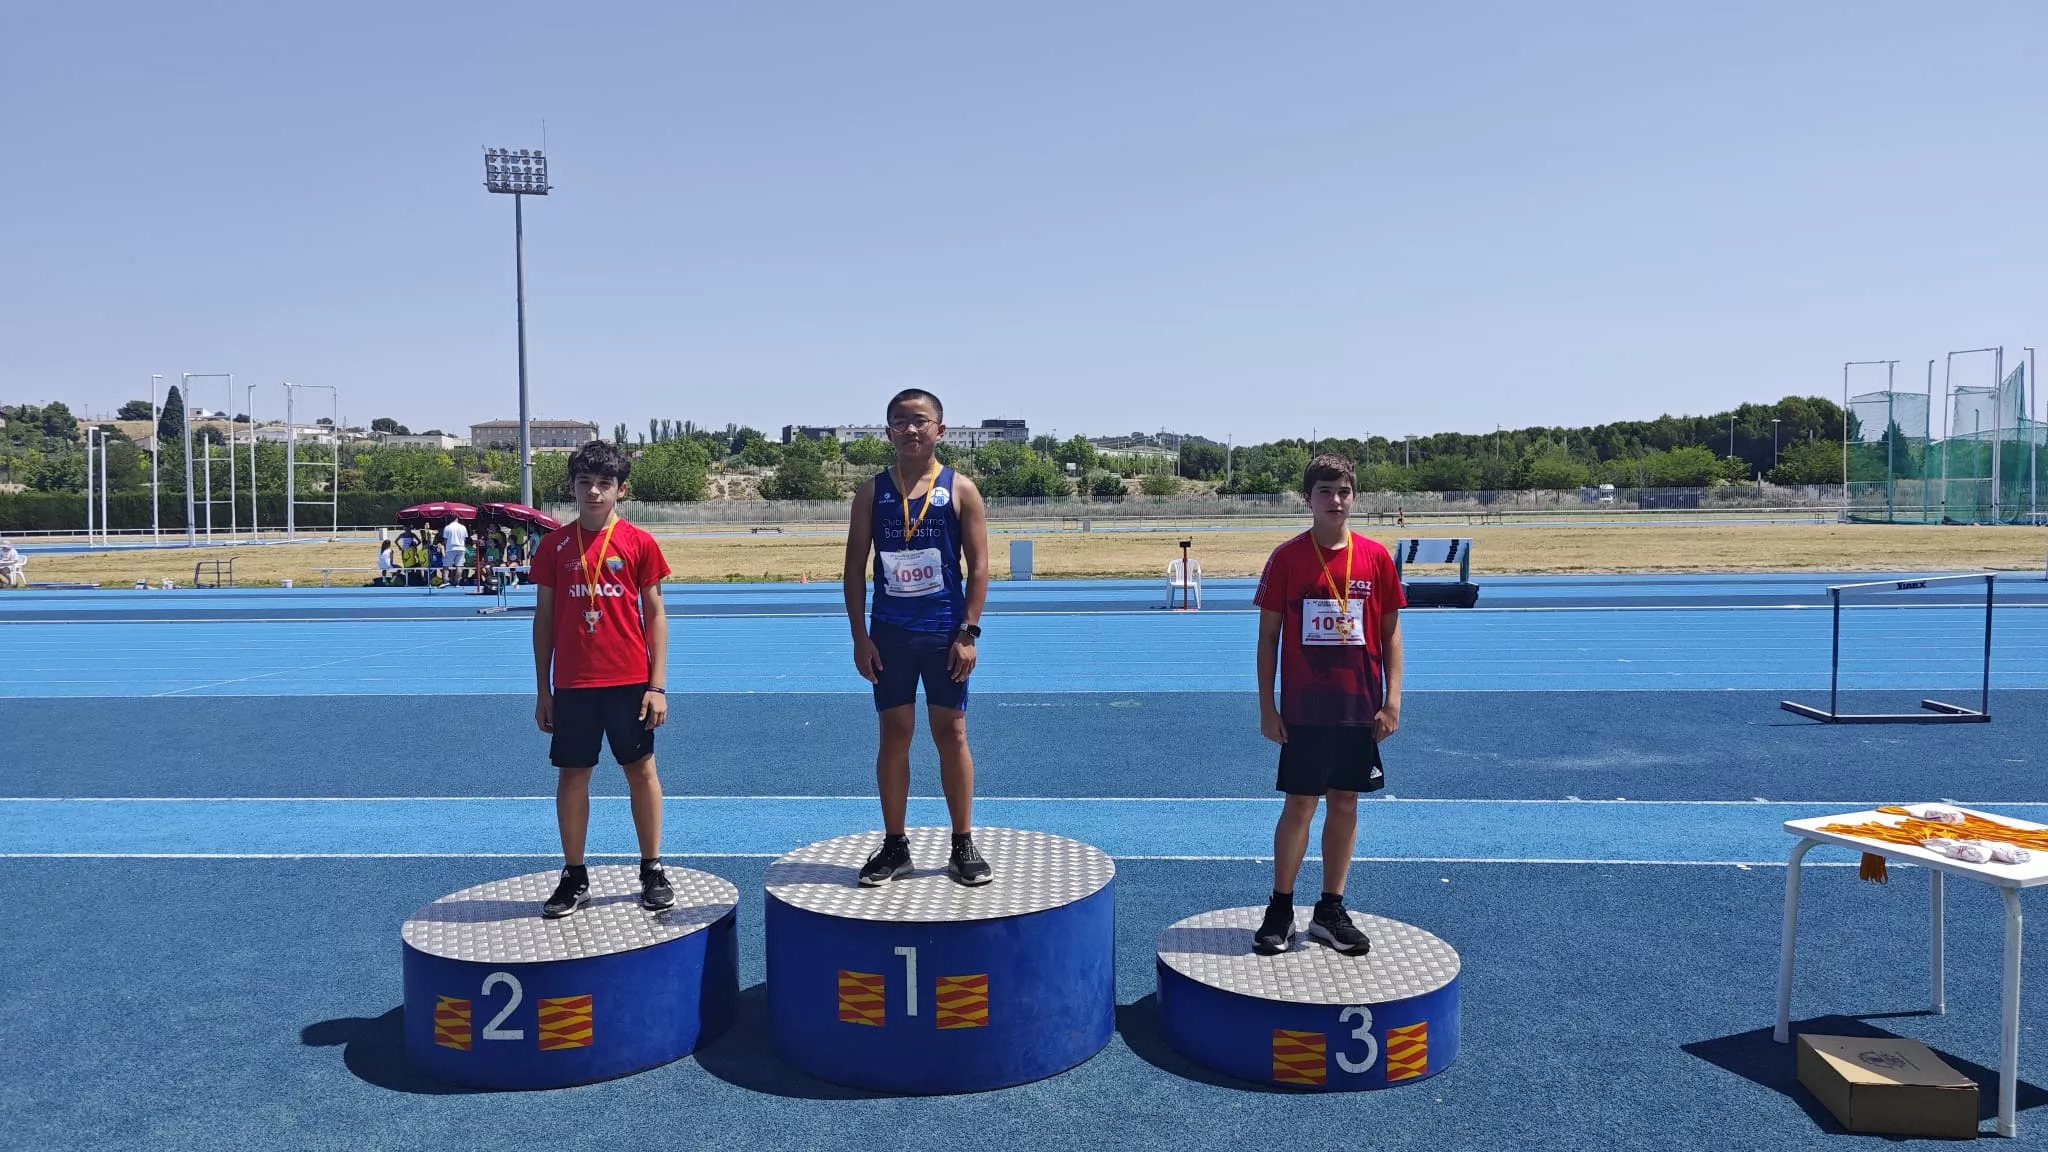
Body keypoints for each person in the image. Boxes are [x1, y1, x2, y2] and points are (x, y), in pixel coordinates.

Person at [1251, 453, 1405, 957]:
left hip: (1359, 708)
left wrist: (1392, 701)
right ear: (1308, 498)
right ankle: (1280, 907)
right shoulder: (1288, 558)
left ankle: (1330, 910)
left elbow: (1391, 635)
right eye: (1324, 492)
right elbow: (1268, 638)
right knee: (1299, 805)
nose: (1335, 501)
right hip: (1304, 709)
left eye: (1343, 492)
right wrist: (1268, 708)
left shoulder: (1376, 558)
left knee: (1346, 802)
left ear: (1353, 496)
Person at [842, 388, 992, 887]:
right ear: (888, 431)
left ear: (940, 430)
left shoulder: (961, 490)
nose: (911, 429)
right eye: (900, 422)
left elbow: (980, 567)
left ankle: (962, 842)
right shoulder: (871, 492)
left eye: (920, 421)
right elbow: (853, 571)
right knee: (894, 736)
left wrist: (968, 632)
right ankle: (894, 844)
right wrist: (860, 637)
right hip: (890, 636)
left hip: (944, 633)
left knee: (952, 734)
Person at [532, 440, 674, 918]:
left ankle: (651, 867)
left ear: (620, 490)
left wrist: (657, 685)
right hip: (573, 683)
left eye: (604, 484)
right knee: (574, 775)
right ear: (572, 488)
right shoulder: (553, 545)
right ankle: (574, 875)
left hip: (630, 679)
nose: (594, 492)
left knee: (641, 771)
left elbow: (655, 614)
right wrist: (543, 689)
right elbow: (544, 618)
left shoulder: (639, 542)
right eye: (585, 483)